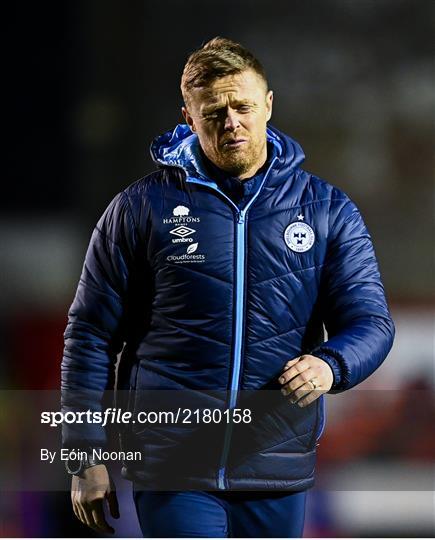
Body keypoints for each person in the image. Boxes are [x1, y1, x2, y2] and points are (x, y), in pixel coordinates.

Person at [61, 37, 395, 537]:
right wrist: (84, 454)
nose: (231, 122)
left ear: (268, 104)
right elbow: (89, 336)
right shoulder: (140, 209)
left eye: (242, 106)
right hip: (173, 465)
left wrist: (331, 364)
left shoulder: (327, 210)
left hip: (275, 462)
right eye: (214, 112)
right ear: (189, 117)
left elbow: (371, 323)